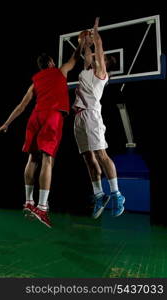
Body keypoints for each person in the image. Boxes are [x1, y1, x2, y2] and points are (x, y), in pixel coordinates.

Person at [0, 39, 85, 228]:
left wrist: (5, 124)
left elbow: (22, 105)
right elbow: (75, 57)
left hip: (35, 118)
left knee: (32, 159)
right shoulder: (60, 71)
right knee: (47, 160)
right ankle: (42, 207)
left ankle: (28, 201)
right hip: (52, 116)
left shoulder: (35, 81)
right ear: (51, 62)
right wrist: (84, 42)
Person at [73, 17, 125, 219]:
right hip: (79, 117)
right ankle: (99, 194)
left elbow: (98, 50)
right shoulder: (87, 70)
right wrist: (85, 43)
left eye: (97, 57)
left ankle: (117, 194)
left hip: (92, 116)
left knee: (101, 155)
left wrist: (95, 34)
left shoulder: (101, 73)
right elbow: (86, 53)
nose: (93, 57)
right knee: (88, 157)